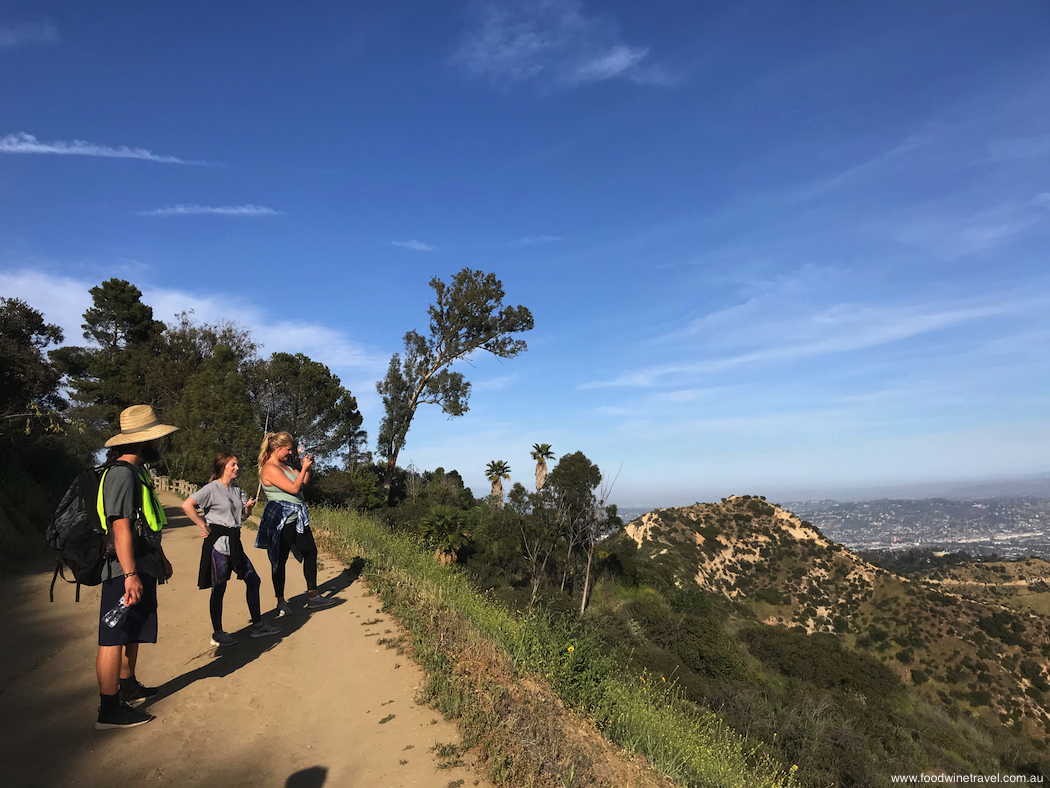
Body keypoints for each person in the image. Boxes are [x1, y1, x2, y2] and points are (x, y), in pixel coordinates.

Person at [95, 405, 177, 731]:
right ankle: (109, 709)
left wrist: (159, 558)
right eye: (156, 438)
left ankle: (127, 685)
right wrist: (129, 574)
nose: (159, 443)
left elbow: (143, 523)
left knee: (132, 629)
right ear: (145, 440)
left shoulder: (136, 472)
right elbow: (120, 527)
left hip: (139, 562)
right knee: (112, 636)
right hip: (121, 569)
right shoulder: (120, 474)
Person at [181, 452, 281, 647]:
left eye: (237, 465)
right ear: (222, 467)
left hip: (235, 543)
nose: (237, 468)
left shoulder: (236, 490)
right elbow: (187, 505)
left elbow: (241, 518)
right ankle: (217, 633)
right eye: (233, 465)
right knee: (219, 587)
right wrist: (203, 525)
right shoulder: (211, 489)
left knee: (253, 580)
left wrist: (248, 508)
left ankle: (258, 625)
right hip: (218, 545)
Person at [255, 431, 335, 616]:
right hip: (282, 519)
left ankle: (313, 596)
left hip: (297, 517)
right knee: (279, 560)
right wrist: (303, 469)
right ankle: (281, 601)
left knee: (310, 552)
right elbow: (293, 487)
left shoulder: (286, 466)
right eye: (288, 449)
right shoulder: (270, 468)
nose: (290, 453)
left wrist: (305, 466)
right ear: (277, 448)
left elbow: (303, 482)